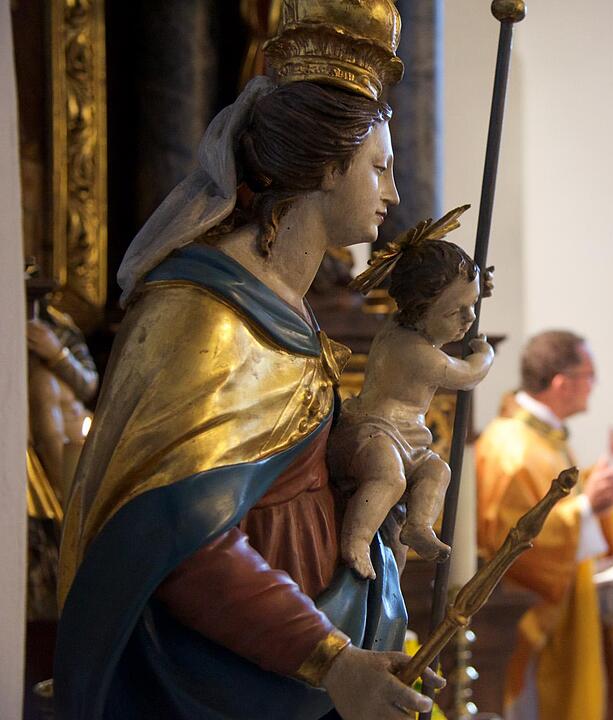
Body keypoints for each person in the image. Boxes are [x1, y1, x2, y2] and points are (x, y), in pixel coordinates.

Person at [55, 2, 443, 718]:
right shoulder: (201, 318)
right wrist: (331, 662)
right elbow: (180, 542)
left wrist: (372, 454)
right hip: (227, 671)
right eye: (378, 168)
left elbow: (285, 469)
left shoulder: (287, 307)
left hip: (296, 661)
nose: (391, 193)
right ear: (328, 168)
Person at [475, 330, 613, 720]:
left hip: (569, 596)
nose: (594, 385)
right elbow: (513, 537)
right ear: (562, 383)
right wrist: (589, 505)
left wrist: (599, 482)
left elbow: (553, 500)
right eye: (590, 375)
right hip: (534, 614)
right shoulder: (512, 447)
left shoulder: (539, 436)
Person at [329, 210, 495, 579]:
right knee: (390, 479)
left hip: (409, 439)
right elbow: (467, 375)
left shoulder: (407, 324)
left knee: (438, 469)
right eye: (457, 311)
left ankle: (418, 525)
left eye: (474, 305)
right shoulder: (415, 352)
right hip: (372, 432)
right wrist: (485, 355)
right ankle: (356, 541)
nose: (468, 320)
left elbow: (446, 295)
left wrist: (479, 282)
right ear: (419, 312)